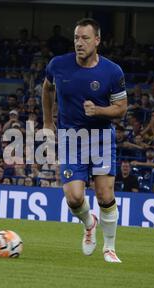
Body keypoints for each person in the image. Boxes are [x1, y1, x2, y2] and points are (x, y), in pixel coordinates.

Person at [42, 18, 127, 263]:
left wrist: (99, 111)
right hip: (70, 137)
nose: (79, 43)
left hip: (101, 138)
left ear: (97, 41)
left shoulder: (112, 71)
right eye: (77, 38)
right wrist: (48, 122)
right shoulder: (58, 65)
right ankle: (89, 223)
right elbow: (47, 89)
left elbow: (121, 108)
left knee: (104, 195)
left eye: (85, 38)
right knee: (74, 197)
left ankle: (109, 247)